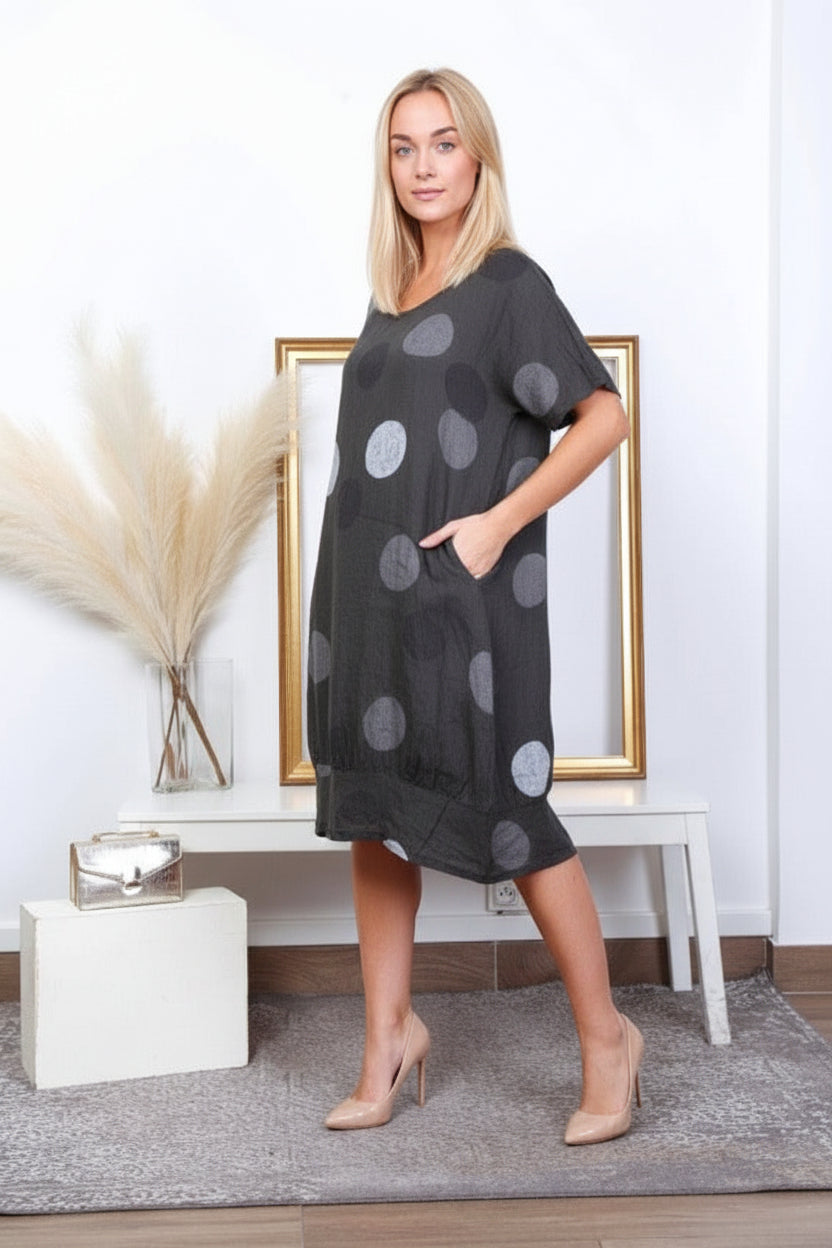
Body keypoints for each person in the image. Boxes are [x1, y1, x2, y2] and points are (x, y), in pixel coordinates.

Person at [307, 68, 642, 1145]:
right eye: (403, 148)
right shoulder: (390, 291)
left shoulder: (508, 287)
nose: (422, 167)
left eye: (443, 144)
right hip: (364, 596)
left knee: (510, 808)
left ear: (478, 156)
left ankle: (607, 1041)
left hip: (461, 595)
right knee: (372, 809)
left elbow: (603, 416)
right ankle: (388, 1042)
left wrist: (497, 523)